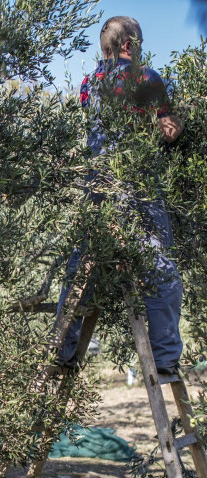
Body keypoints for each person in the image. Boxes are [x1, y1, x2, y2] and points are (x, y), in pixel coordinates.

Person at [56, 16, 185, 377]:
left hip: (97, 189)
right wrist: (180, 120)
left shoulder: (87, 84)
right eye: (139, 43)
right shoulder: (146, 78)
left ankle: (63, 348)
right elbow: (169, 129)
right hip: (136, 189)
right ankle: (165, 357)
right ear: (129, 44)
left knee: (80, 269)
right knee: (160, 270)